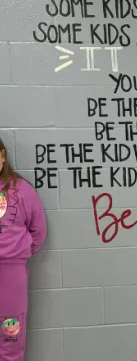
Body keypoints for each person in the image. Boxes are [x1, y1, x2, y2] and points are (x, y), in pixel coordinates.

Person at [0, 139, 47, 361]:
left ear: (2, 157)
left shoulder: (21, 189)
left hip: (10, 272)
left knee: (10, 329)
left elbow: (38, 230)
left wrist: (18, 254)